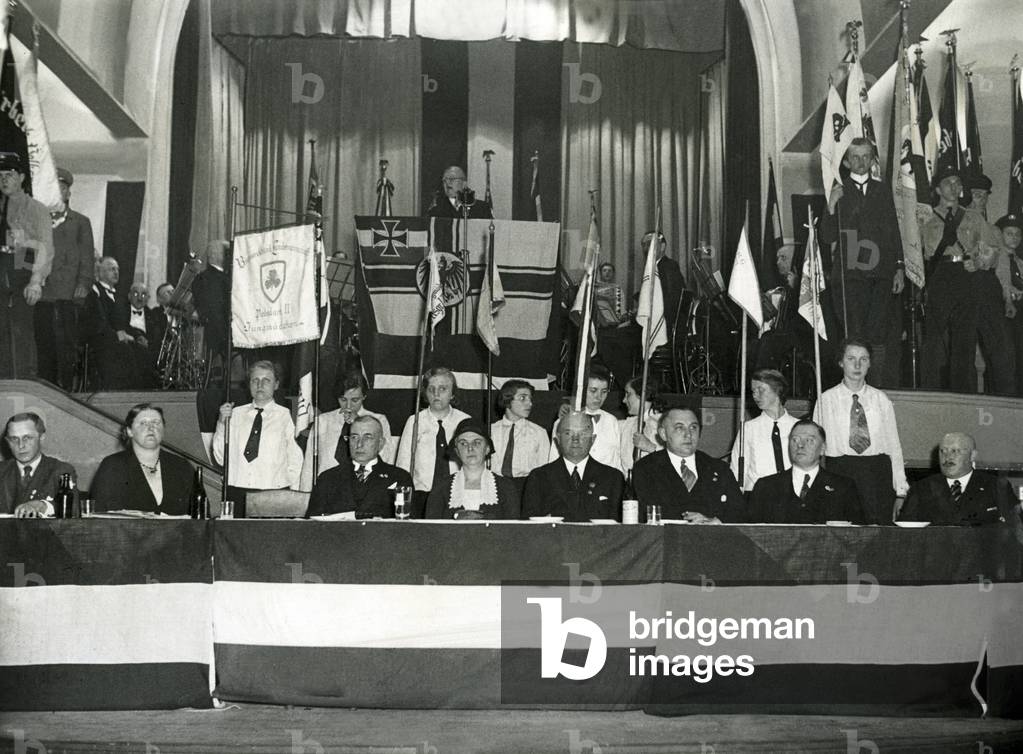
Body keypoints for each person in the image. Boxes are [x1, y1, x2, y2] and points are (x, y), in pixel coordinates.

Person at [819, 138, 905, 379]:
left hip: (880, 275)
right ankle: (852, 385)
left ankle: (874, 386)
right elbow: (826, 237)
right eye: (855, 157)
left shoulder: (883, 191)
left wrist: (899, 267)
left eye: (866, 156)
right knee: (853, 334)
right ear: (846, 161)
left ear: (872, 159)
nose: (860, 162)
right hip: (849, 276)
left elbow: (894, 232)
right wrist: (831, 205)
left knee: (878, 333)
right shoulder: (838, 191)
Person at [920, 165, 1002, 391]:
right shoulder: (924, 218)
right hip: (939, 276)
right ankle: (931, 392)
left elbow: (993, 250)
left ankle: (963, 392)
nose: (954, 187)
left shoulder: (973, 217)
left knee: (965, 337)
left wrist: (979, 262)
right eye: (948, 182)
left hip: (966, 276)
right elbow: (917, 253)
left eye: (957, 182)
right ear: (937, 189)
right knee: (934, 339)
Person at [813, 338, 908, 524]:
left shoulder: (881, 400)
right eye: (851, 358)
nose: (857, 365)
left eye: (863, 359)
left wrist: (901, 491)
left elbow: (894, 447)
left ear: (870, 363)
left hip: (876, 475)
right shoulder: (826, 400)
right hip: (840, 471)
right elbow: (817, 448)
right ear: (841, 362)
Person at [212, 360, 303, 517]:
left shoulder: (285, 416)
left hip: (272, 495)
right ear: (249, 384)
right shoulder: (234, 414)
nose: (260, 385)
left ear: (276, 384)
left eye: (266, 380)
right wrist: (221, 423)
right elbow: (221, 458)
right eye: (255, 380)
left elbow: (295, 460)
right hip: (237, 493)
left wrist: (287, 492)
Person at [34, 167, 94, 389]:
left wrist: (84, 284)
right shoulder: (37, 222)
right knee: (44, 345)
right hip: (42, 295)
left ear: (69, 193)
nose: (59, 193)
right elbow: (25, 256)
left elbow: (87, 256)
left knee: (66, 347)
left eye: (63, 189)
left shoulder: (80, 222)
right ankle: (45, 391)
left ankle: (67, 393)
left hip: (68, 295)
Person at [632, 407, 745, 523]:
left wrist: (715, 521)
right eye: (679, 428)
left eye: (693, 428)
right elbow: (639, 517)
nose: (688, 434)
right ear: (663, 434)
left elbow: (740, 513)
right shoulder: (646, 469)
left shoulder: (719, 469)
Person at [0, 152, 54, 379]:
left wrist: (35, 281)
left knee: (21, 330)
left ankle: (25, 381)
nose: (4, 179)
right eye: (0, 175)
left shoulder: (36, 208)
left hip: (22, 270)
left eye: (9, 174)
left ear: (21, 177)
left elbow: (44, 247)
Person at [748, 419, 864, 524]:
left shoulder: (844, 487)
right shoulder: (766, 487)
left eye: (809, 440)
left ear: (823, 448)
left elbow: (860, 535)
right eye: (795, 440)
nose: (800, 445)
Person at [91, 403, 196, 515]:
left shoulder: (182, 466)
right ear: (129, 431)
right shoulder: (112, 466)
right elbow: (98, 516)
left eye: (156, 422)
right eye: (143, 423)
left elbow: (201, 517)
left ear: (163, 430)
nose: (151, 427)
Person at [298, 370, 393, 491]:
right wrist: (304, 498)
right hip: (328, 491)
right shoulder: (323, 421)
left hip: (364, 489)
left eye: (354, 400)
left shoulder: (379, 421)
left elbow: (385, 459)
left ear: (364, 396)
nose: (348, 406)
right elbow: (308, 466)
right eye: (343, 399)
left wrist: (358, 422)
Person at [395, 367, 471, 517]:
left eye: (443, 389)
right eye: (431, 389)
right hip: (422, 496)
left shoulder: (464, 421)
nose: (436, 394)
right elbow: (403, 464)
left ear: (452, 393)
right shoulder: (415, 421)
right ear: (425, 393)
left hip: (457, 494)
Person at [522, 410, 623, 521]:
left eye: (583, 433)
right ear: (558, 439)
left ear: (593, 440)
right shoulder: (539, 477)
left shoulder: (613, 478)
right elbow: (529, 527)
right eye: (568, 433)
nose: (575, 439)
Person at [899, 433, 1020, 527]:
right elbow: (906, 533)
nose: (947, 457)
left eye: (955, 451)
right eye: (943, 451)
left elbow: (1014, 529)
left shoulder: (996, 486)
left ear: (972, 455)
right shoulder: (921, 488)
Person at [306, 415, 411, 519]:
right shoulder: (327, 478)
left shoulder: (399, 477)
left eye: (367, 437)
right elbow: (312, 524)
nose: (359, 444)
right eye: (354, 437)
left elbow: (409, 525)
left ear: (381, 443)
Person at [425, 418, 521, 520]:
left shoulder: (506, 487)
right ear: (457, 451)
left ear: (487, 449)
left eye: (477, 442)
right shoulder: (441, 488)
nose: (470, 448)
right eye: (463, 443)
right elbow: (431, 532)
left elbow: (513, 532)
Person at [730, 369, 799, 492]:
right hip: (757, 498)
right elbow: (737, 470)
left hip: (791, 496)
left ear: (777, 390)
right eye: (753, 391)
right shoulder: (749, 429)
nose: (755, 395)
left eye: (760, 390)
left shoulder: (798, 427)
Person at [0, 413, 77, 517]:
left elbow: (73, 509)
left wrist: (42, 506)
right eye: (14, 439)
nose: (21, 445)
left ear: (41, 438)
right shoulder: (2, 470)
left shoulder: (60, 470)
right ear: (7, 441)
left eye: (27, 438)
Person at [549, 366, 622, 471]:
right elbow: (554, 459)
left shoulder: (612, 421)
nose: (598, 397)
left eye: (604, 391)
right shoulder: (565, 420)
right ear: (582, 390)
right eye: (593, 390)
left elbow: (616, 460)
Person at [489, 379, 550, 495]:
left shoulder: (539, 433)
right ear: (507, 400)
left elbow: (543, 472)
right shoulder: (490, 431)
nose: (530, 403)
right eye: (523, 398)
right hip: (495, 487)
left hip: (526, 489)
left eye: (530, 399)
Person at [84, 256, 136, 389]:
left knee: (141, 350)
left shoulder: (118, 296)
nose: (116, 272)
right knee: (124, 352)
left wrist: (137, 335)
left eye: (117, 269)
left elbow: (123, 323)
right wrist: (116, 336)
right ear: (99, 273)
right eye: (111, 269)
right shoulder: (94, 292)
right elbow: (97, 323)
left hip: (115, 338)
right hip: (101, 339)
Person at [191, 239, 230, 371]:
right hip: (218, 335)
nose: (229, 256)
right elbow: (215, 312)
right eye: (226, 253)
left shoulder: (207, 277)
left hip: (214, 333)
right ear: (214, 255)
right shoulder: (211, 279)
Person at [642, 231, 685, 341]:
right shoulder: (652, 267)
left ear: (662, 246)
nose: (646, 249)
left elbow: (671, 300)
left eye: (649, 244)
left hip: (663, 326)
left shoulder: (669, 267)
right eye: (644, 245)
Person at [619, 376, 663, 474]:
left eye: (628, 394)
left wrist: (651, 448)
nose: (624, 400)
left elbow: (677, 460)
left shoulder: (665, 424)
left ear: (642, 395)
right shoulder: (628, 424)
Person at [999, 213, 1023, 394]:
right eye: (1009, 233)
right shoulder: (998, 259)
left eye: (1017, 234)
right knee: (1008, 356)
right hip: (1005, 312)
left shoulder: (1019, 262)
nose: (1014, 237)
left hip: (1020, 313)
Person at [426, 166, 493, 219]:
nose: (447, 183)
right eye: (444, 180)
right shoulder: (436, 211)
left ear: (464, 183)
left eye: (451, 179)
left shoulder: (481, 208)